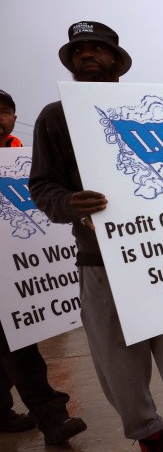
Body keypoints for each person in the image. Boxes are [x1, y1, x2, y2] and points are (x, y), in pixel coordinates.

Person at [29, 21, 163, 452]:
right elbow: (43, 187)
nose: (88, 54)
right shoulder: (54, 117)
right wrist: (69, 203)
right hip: (101, 264)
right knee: (119, 366)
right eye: (79, 49)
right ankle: (149, 438)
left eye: (98, 48)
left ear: (117, 60)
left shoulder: (154, 110)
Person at [0, 89, 88, 445]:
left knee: (19, 348)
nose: (0, 119)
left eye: (5, 112)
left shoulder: (24, 156)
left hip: (12, 276)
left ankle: (52, 418)